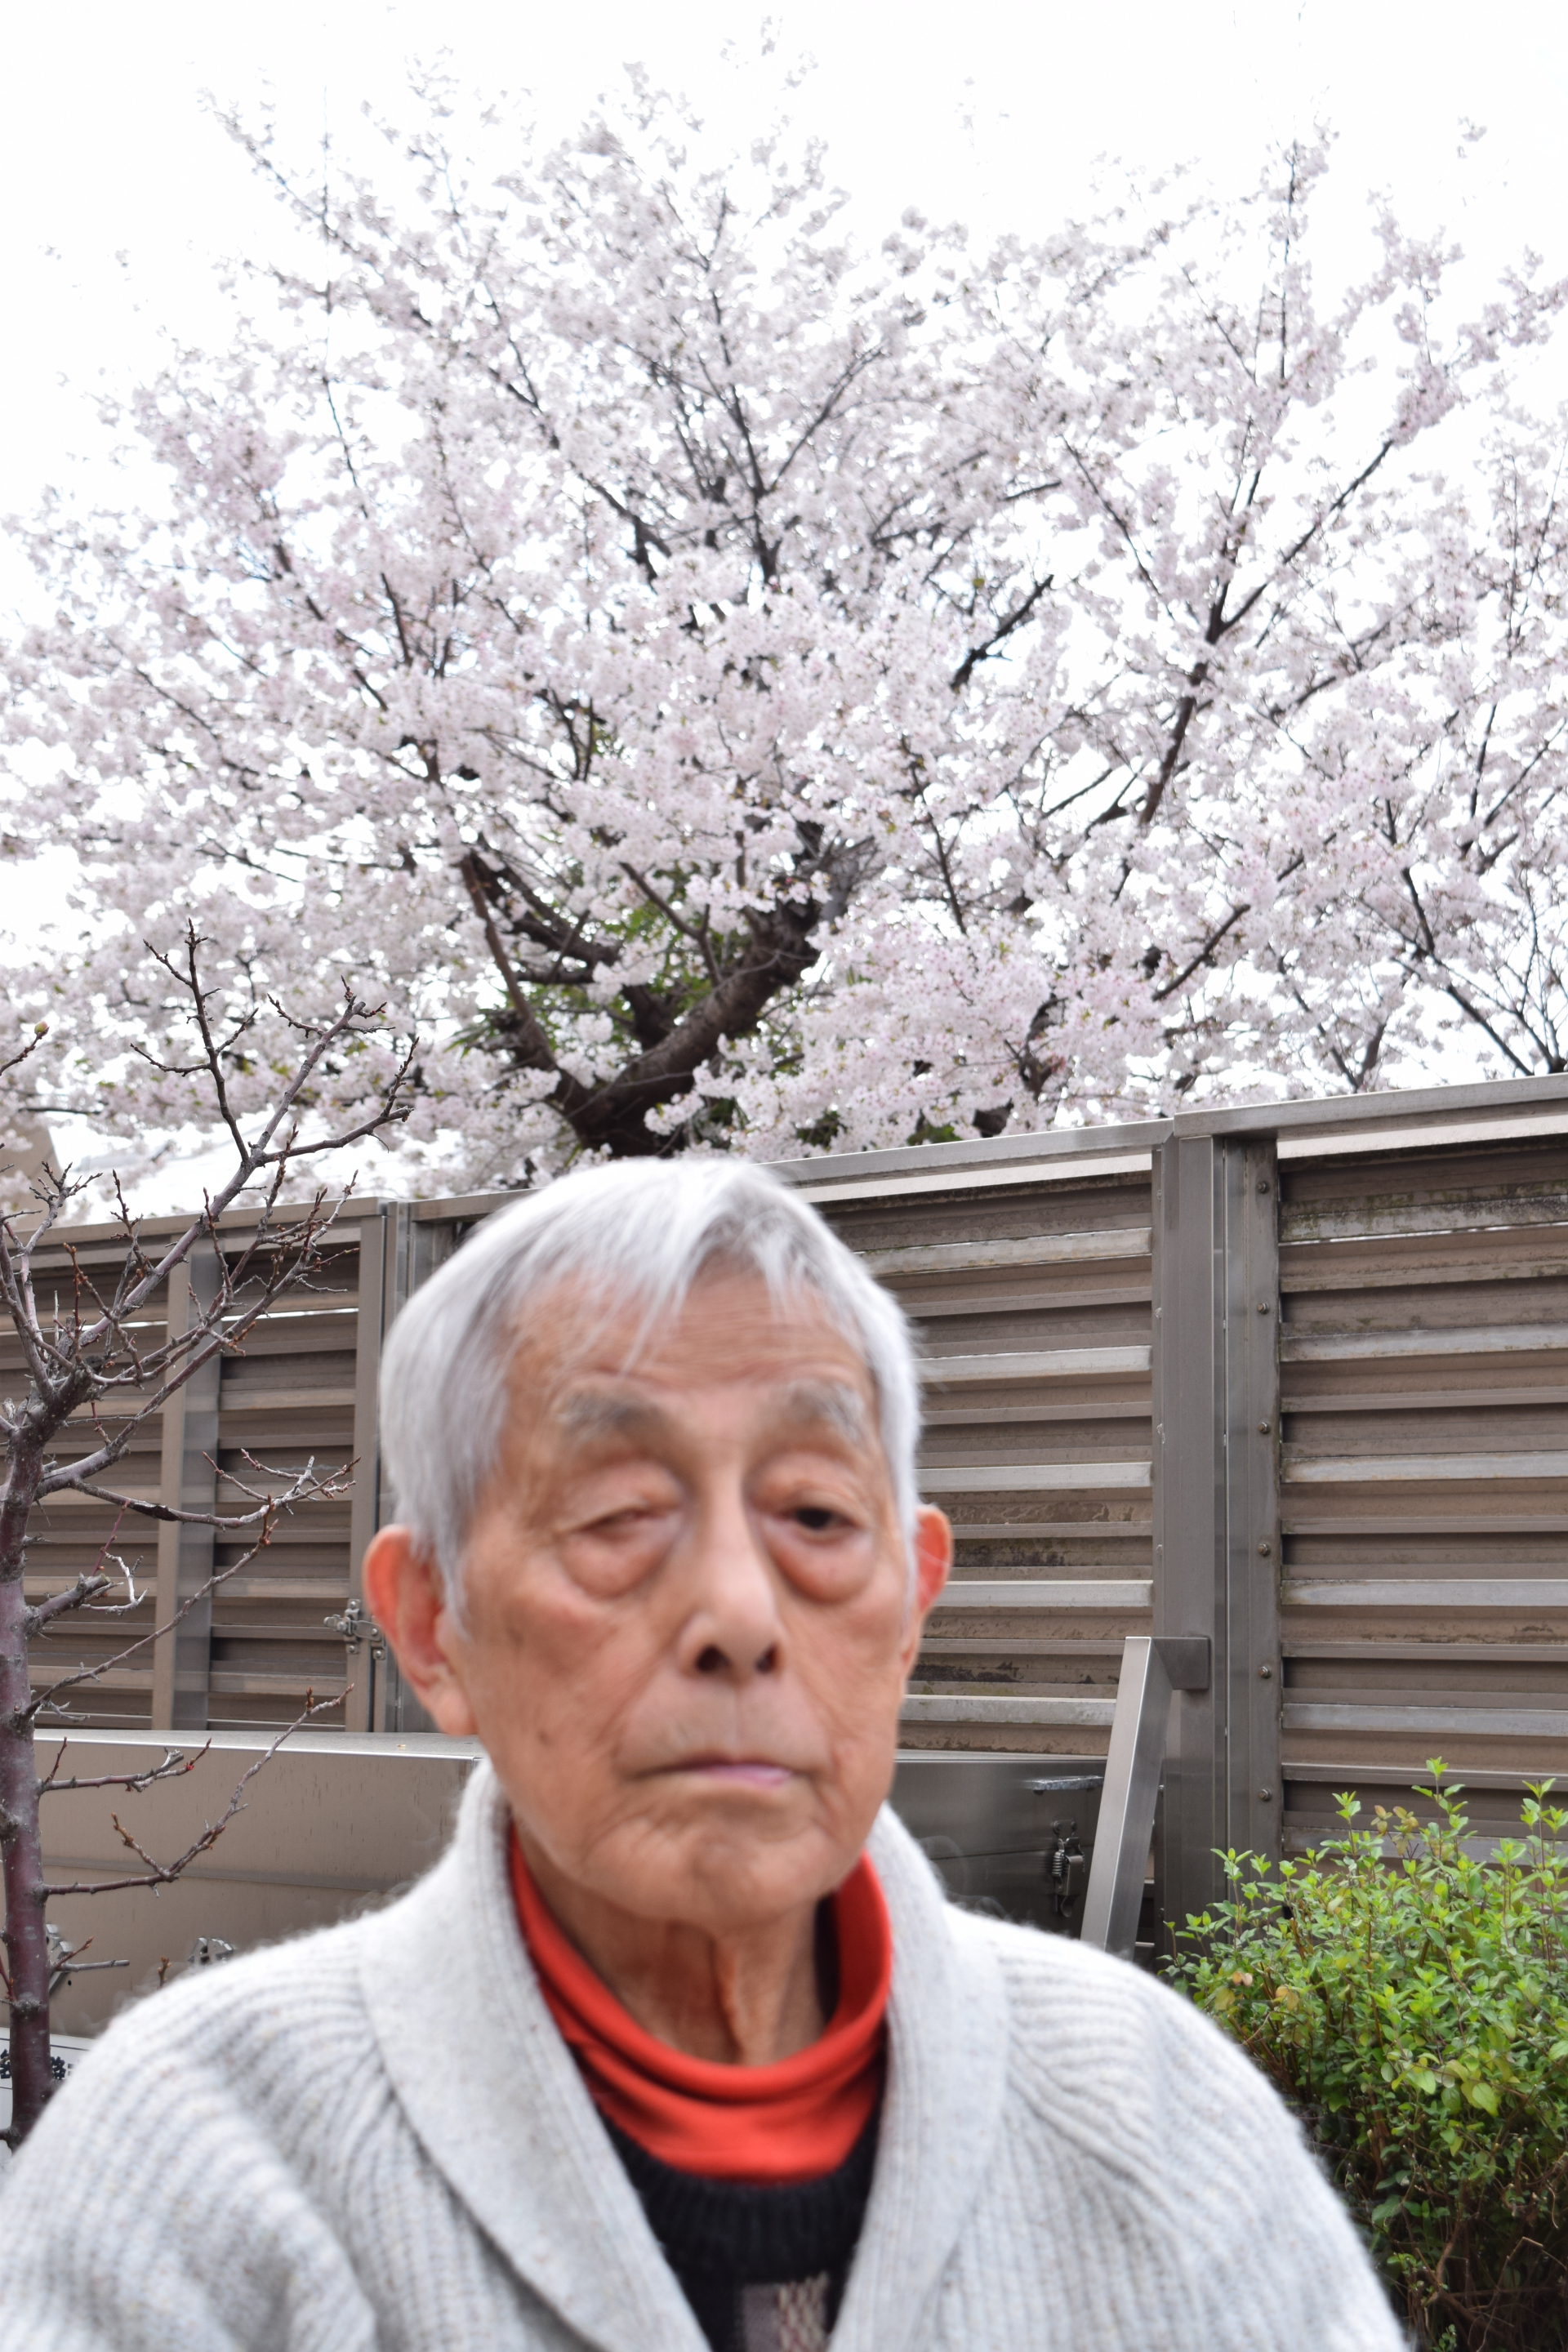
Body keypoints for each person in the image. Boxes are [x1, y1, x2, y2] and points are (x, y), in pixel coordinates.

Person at [4, 1160, 1400, 2350]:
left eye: (816, 1515)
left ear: (912, 1605)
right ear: (431, 1626)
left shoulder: (1157, 2116)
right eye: (618, 1514)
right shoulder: (198, 2166)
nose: (739, 1614)